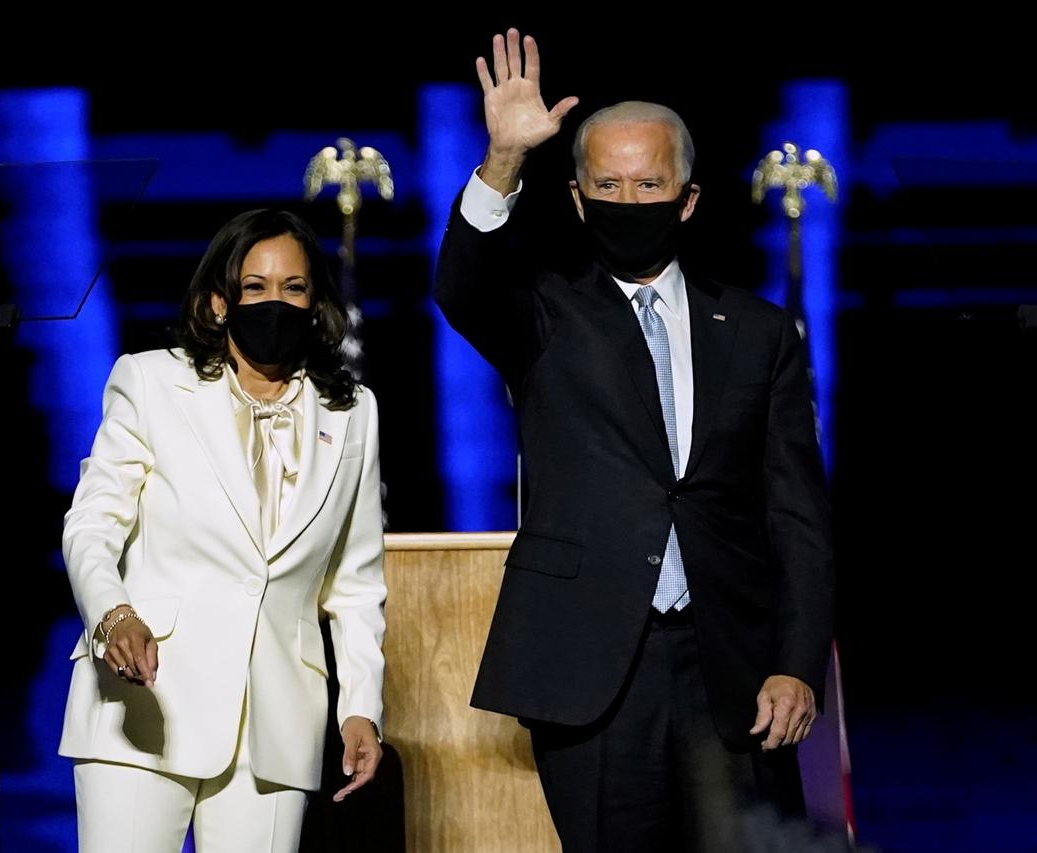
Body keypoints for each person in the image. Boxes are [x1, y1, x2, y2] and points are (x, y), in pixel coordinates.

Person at [434, 29, 835, 852]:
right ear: (577, 200)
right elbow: (463, 286)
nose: (629, 200)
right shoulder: (545, 312)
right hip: (592, 668)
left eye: (649, 182)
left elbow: (797, 512)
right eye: (607, 184)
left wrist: (798, 661)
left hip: (732, 669)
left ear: (688, 199)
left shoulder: (758, 332)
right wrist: (504, 159)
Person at [58, 209, 387, 852]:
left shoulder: (353, 412)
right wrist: (112, 614)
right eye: (256, 287)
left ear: (314, 301)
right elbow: (92, 523)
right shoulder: (151, 381)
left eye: (293, 288)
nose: (276, 302)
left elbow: (355, 582)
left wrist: (361, 707)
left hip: (276, 724)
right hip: (147, 703)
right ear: (219, 303)